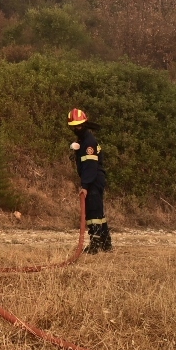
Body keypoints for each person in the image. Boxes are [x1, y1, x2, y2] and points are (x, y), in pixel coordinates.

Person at [67, 108, 112, 253]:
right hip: (92, 178)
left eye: (78, 126)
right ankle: (106, 244)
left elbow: (90, 166)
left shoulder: (89, 143)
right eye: (74, 126)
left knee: (93, 213)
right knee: (98, 211)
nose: (76, 129)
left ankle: (95, 244)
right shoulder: (83, 139)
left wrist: (85, 186)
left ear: (84, 124)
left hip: (93, 179)